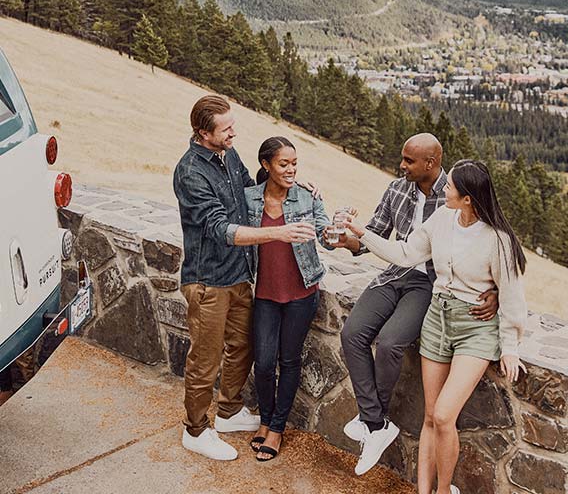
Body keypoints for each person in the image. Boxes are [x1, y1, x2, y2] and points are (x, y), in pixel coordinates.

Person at [344, 159, 527, 494]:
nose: (444, 188)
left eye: (450, 186)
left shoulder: (497, 239)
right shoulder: (442, 217)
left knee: (444, 416)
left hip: (475, 327)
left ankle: (444, 490)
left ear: (468, 197)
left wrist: (511, 345)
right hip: (437, 321)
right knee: (430, 417)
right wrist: (362, 233)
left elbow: (512, 293)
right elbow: (404, 253)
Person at [173, 95, 316, 461]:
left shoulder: (228, 153)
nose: (235, 132)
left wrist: (296, 186)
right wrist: (278, 232)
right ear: (205, 133)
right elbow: (220, 228)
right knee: (205, 360)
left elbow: (251, 188)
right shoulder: (190, 172)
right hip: (208, 281)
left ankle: (229, 411)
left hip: (239, 275)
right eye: (227, 128)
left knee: (244, 348)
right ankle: (196, 430)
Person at [244, 137, 347, 462]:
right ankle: (264, 419)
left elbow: (326, 240)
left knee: (289, 361)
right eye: (283, 164)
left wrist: (336, 232)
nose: (290, 169)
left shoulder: (306, 196)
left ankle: (276, 427)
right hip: (264, 295)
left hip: (302, 293)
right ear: (266, 165)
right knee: (262, 362)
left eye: (294, 164)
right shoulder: (248, 199)